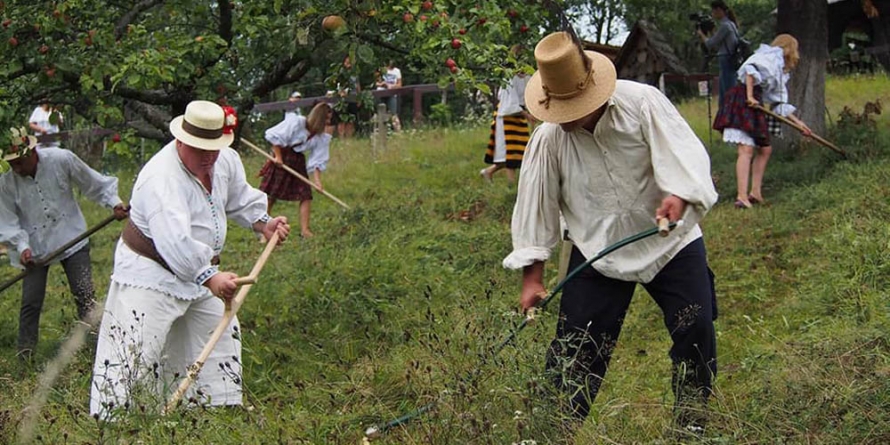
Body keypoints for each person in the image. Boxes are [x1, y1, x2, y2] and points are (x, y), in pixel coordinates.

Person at [504, 32, 719, 436]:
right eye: (559, 110)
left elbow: (685, 156)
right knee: (575, 351)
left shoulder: (642, 103)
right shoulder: (549, 139)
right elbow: (536, 205)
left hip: (669, 241)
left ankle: (692, 424)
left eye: (573, 109)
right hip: (597, 250)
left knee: (697, 327)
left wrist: (678, 195)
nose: (564, 119)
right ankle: (551, 432)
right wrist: (532, 278)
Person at [89, 100, 290, 418]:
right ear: (181, 140)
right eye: (201, 149)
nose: (210, 157)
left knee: (218, 334)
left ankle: (215, 410)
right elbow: (174, 240)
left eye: (215, 148)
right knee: (136, 349)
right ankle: (114, 419)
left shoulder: (223, 159)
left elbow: (238, 196)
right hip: (151, 271)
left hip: (200, 270)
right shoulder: (162, 179)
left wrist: (263, 223)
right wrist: (210, 277)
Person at [0, 127, 127, 360]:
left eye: (18, 162)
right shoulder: (6, 184)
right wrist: (22, 247)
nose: (15, 168)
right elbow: (7, 221)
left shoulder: (61, 159)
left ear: (32, 152)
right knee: (31, 302)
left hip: (71, 237)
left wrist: (114, 203)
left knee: (84, 295)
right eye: (12, 164)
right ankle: (24, 357)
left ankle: (100, 351)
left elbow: (93, 183)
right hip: (35, 248)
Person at [712, 34, 811, 209]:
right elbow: (750, 69)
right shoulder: (770, 56)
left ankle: (755, 192)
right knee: (746, 149)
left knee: (765, 149)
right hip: (742, 99)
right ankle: (741, 197)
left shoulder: (780, 68)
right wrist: (750, 96)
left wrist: (799, 124)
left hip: (754, 102)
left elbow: (778, 103)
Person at [258, 102, 333, 238]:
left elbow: (318, 159)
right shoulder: (297, 122)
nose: (328, 123)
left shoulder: (320, 136)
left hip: (297, 161)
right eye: (326, 119)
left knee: (306, 195)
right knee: (271, 195)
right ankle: (264, 229)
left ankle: (305, 230)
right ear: (319, 118)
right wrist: (278, 157)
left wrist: (317, 181)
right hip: (283, 155)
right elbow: (275, 137)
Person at [481, 47, 535, 183]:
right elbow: (509, 103)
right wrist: (527, 115)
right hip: (506, 117)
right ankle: (511, 183)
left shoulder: (528, 77)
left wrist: (531, 112)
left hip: (519, 115)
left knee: (519, 152)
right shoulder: (509, 78)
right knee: (510, 153)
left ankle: (488, 172)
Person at [697, 1, 740, 112]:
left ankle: (727, 116)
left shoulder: (725, 26)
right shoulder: (731, 24)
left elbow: (710, 44)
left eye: (713, 11)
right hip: (729, 60)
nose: (712, 14)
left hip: (726, 60)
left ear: (719, 10)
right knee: (727, 91)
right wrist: (712, 32)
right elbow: (718, 44)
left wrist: (701, 35)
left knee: (727, 93)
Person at [381, 60, 402, 131]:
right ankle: (382, 131)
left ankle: (397, 130)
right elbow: (376, 82)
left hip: (392, 93)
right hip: (381, 92)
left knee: (393, 114)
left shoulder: (397, 71)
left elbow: (399, 84)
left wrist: (390, 86)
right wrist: (382, 84)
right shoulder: (381, 70)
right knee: (381, 113)